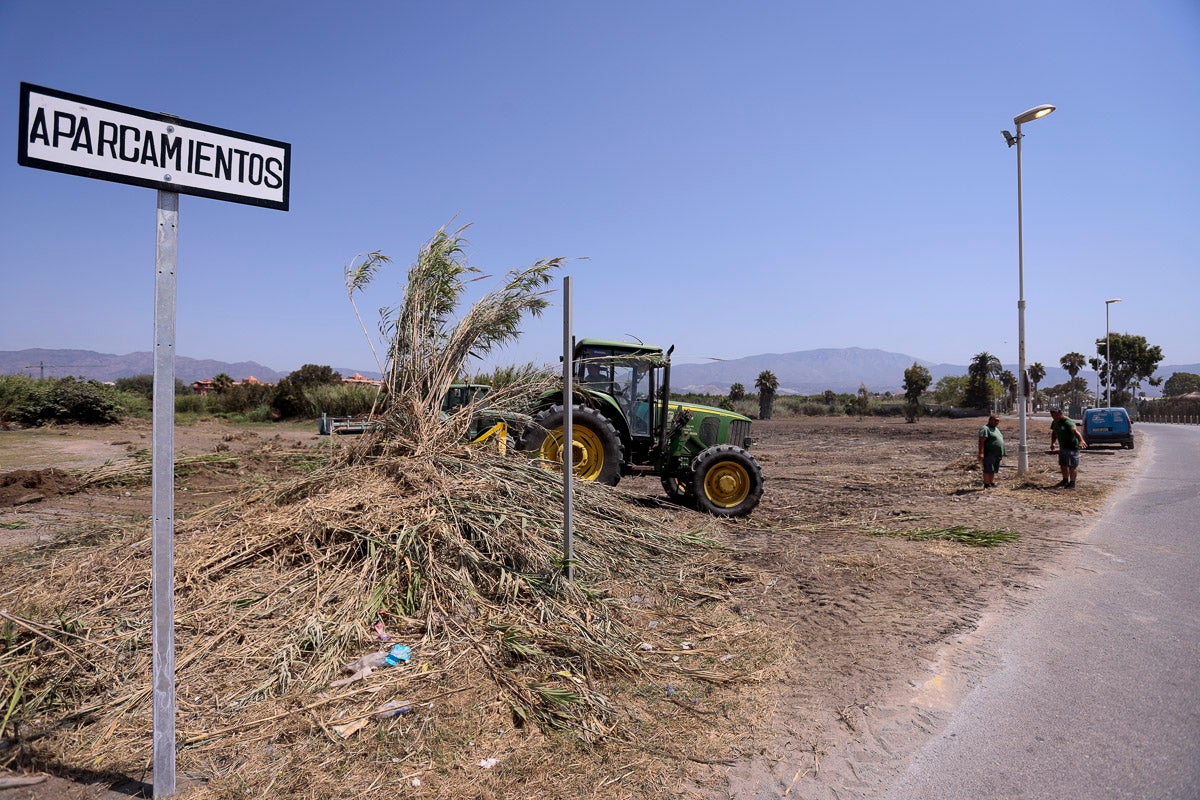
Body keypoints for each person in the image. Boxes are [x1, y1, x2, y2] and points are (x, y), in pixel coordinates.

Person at [1049, 407, 1087, 488]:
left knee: (1072, 466)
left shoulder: (1068, 422)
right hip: (1063, 447)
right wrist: (1053, 443)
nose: (1054, 418)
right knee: (1063, 464)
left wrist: (1081, 441)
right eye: (1052, 416)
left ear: (1060, 413)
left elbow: (1076, 432)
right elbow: (1054, 432)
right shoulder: (1055, 422)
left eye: (1055, 416)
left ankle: (1072, 483)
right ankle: (1065, 480)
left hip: (1072, 447)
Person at [977, 413, 1005, 488]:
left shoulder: (996, 429)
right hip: (989, 453)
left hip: (997, 453)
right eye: (995, 421)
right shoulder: (985, 428)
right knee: (988, 468)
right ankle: (986, 484)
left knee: (993, 469)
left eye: (998, 421)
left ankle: (991, 482)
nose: (997, 423)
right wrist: (981, 453)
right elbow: (981, 441)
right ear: (990, 420)